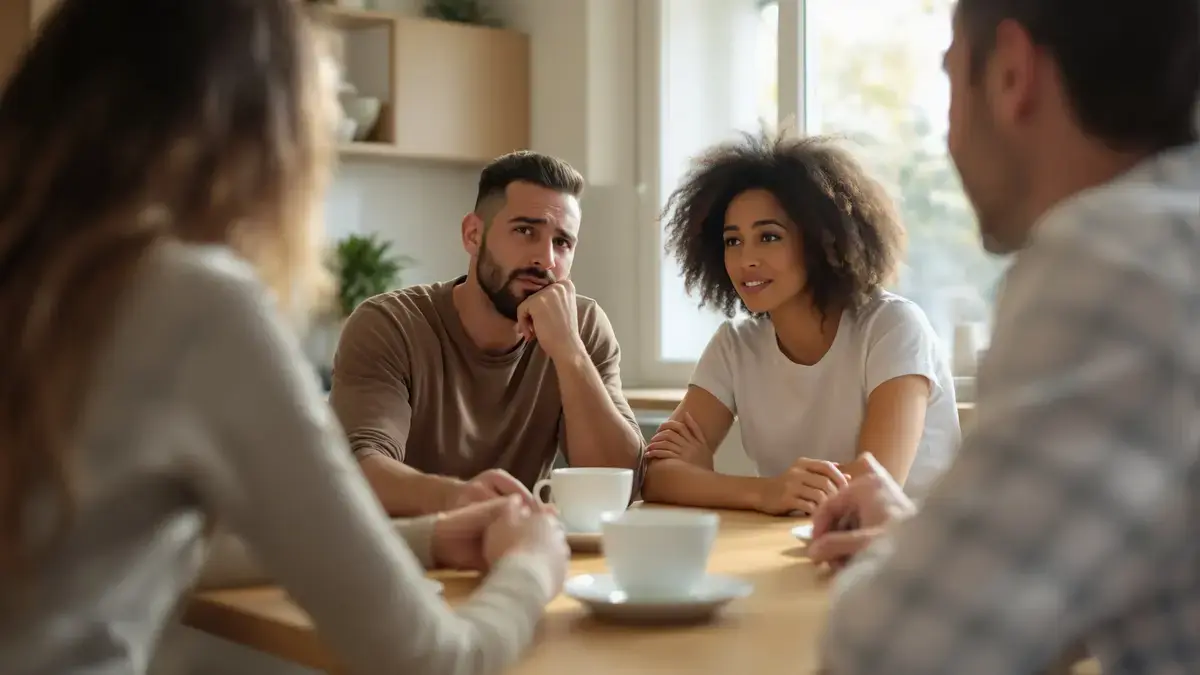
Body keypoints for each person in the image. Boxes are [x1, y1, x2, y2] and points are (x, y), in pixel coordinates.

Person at [0, 2, 570, 674]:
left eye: (562, 239)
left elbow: (110, 544)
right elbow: (432, 661)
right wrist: (532, 564)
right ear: (264, 134)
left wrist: (430, 538)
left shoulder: (38, 280)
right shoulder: (194, 303)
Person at [814, 0, 1200, 672]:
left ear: (1012, 74)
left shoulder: (1120, 254)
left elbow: (891, 655)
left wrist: (911, 559)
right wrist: (924, 535)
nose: (949, 136)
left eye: (950, 78)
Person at [640, 132, 960, 515]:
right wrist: (767, 493)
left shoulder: (893, 327)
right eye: (732, 241)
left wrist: (710, 482)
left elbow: (874, 484)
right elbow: (657, 476)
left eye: (769, 237)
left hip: (912, 551)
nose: (746, 260)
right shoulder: (735, 346)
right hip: (796, 544)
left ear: (822, 241)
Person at [329, 151, 646, 517]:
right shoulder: (390, 325)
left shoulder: (582, 328)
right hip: (408, 552)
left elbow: (622, 484)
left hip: (520, 545)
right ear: (473, 234)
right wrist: (459, 500)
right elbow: (358, 471)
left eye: (562, 242)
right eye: (525, 231)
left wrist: (569, 351)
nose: (545, 259)